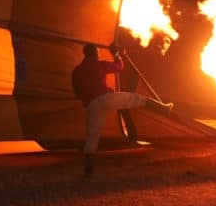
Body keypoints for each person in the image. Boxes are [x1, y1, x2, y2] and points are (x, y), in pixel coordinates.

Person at [71, 43, 173, 178]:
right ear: (95, 53)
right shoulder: (100, 64)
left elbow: (77, 93)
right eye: (98, 52)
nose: (99, 54)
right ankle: (163, 108)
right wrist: (117, 55)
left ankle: (88, 172)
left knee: (91, 137)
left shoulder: (77, 71)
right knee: (137, 99)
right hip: (105, 98)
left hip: (90, 105)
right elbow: (119, 67)